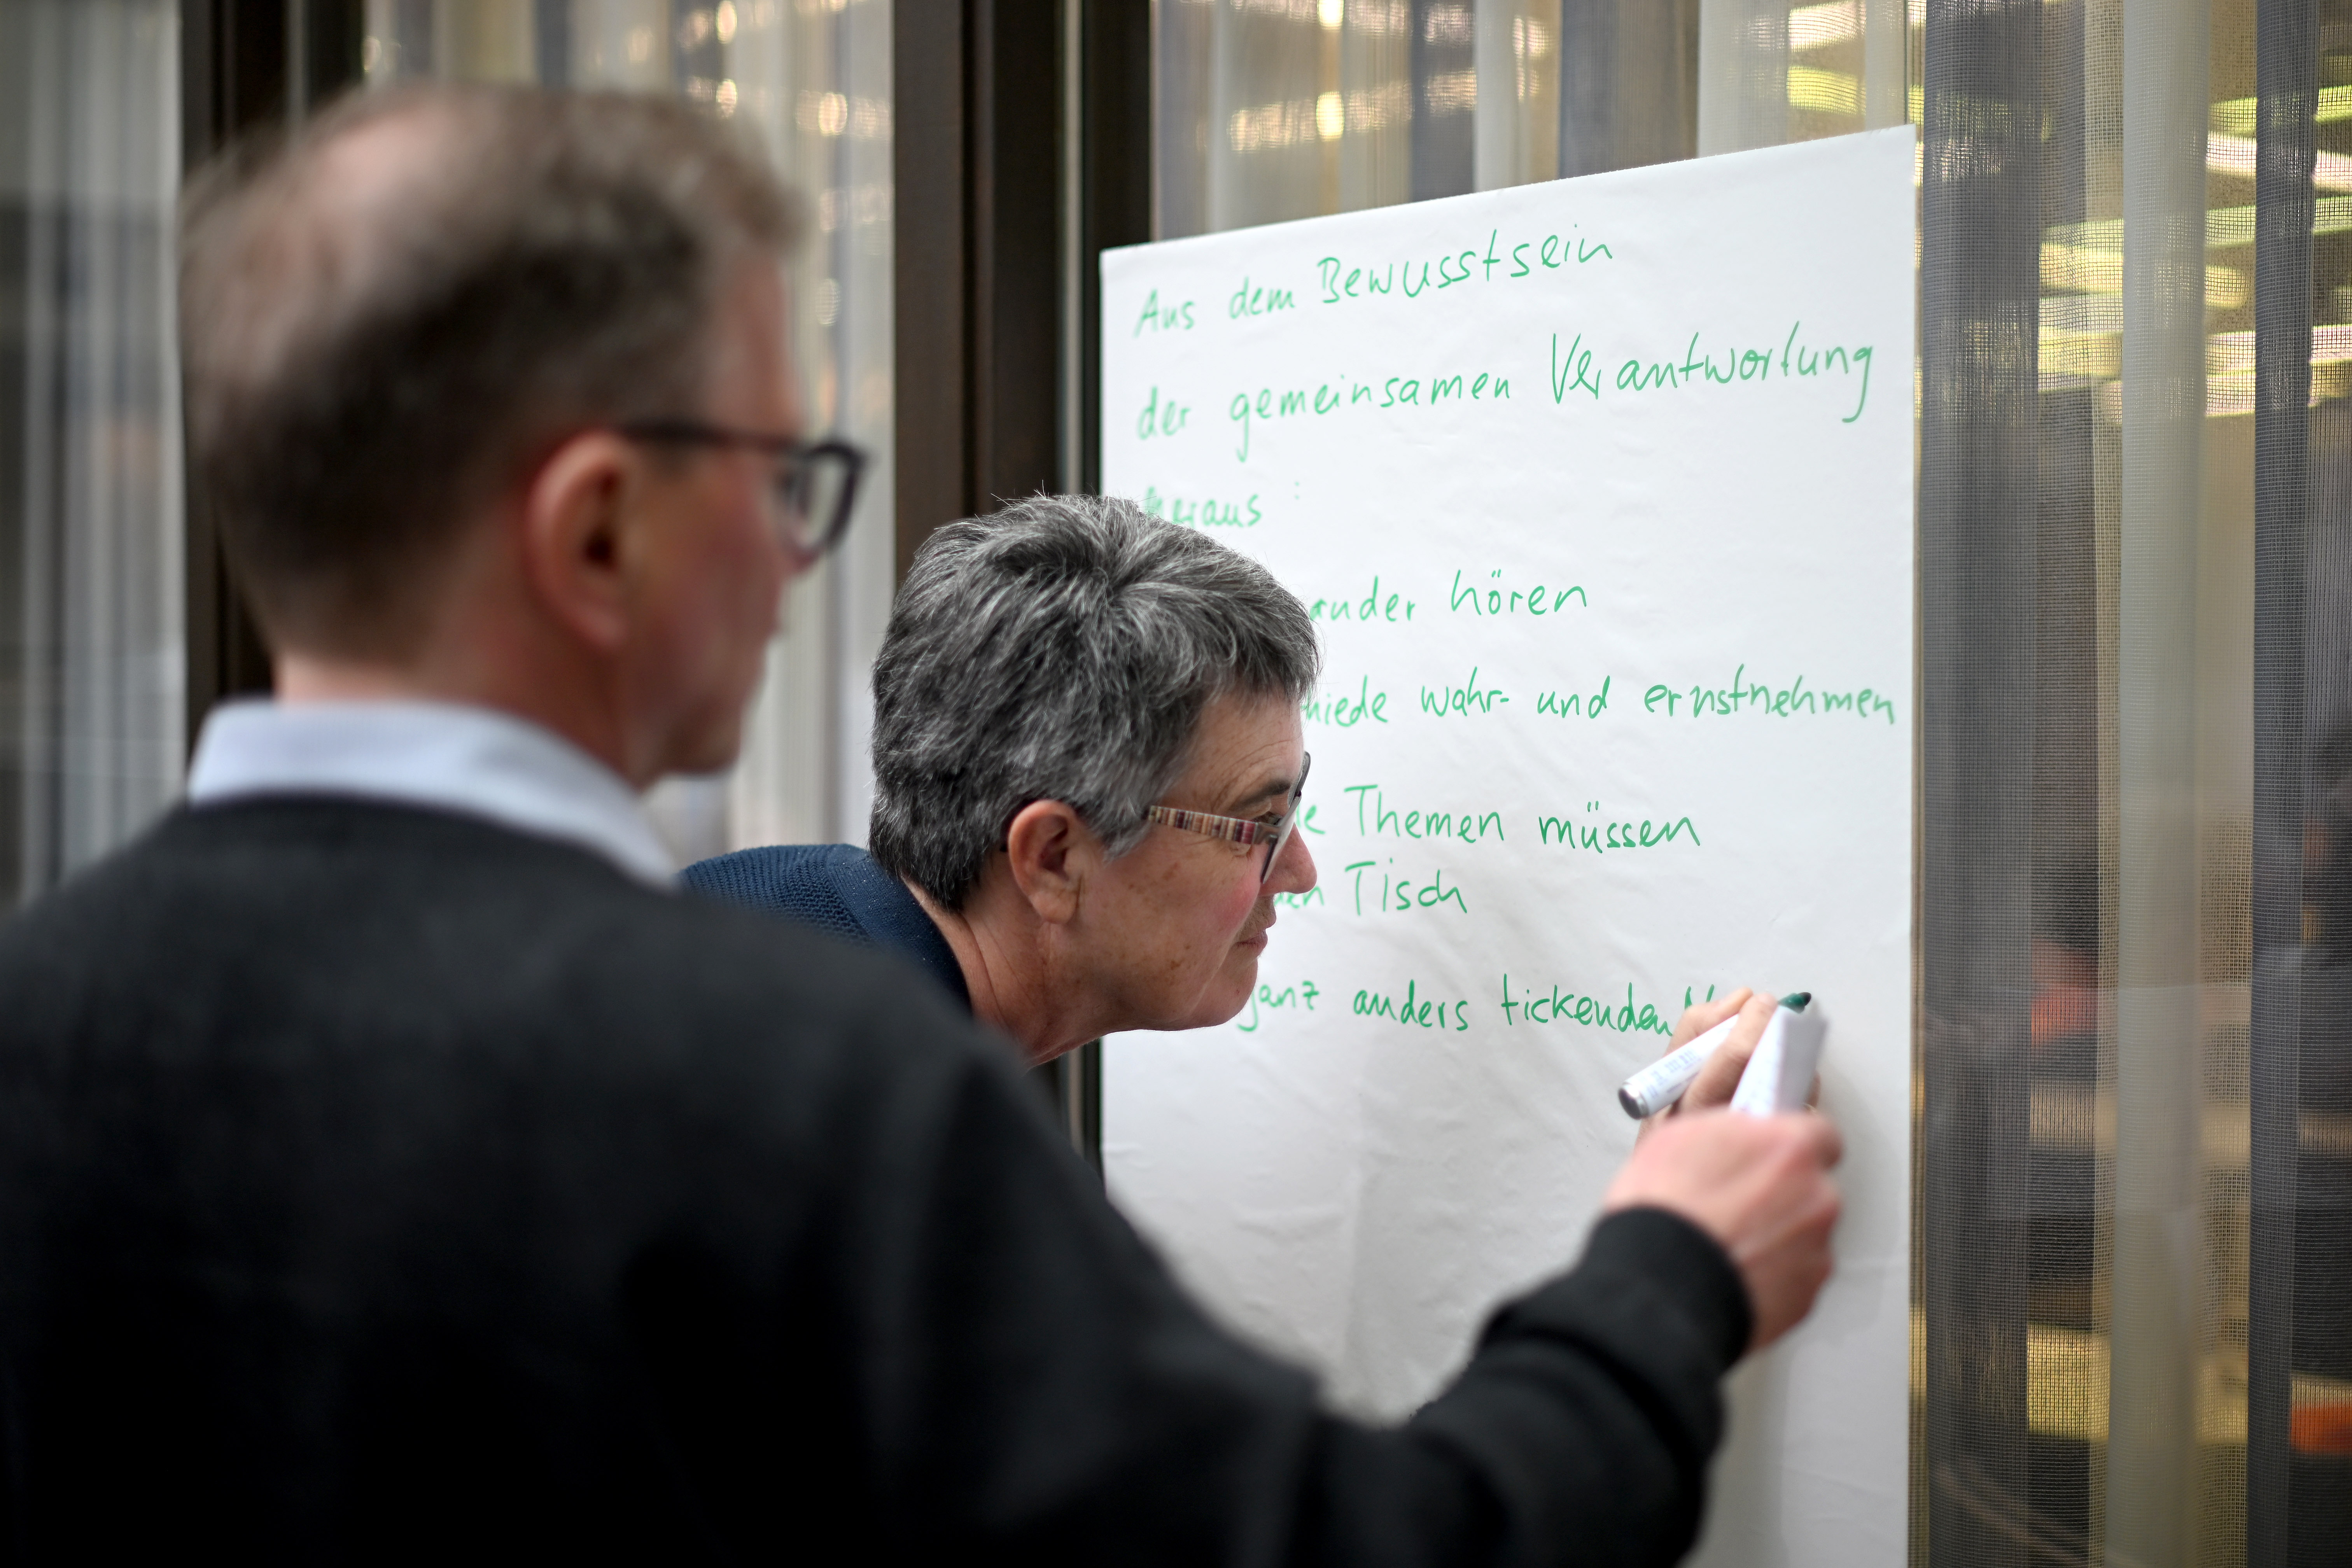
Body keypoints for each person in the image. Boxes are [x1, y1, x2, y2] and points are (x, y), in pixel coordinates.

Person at [0, 83, 1843, 1561]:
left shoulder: (46, 1002)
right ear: (597, 532)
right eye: (779, 475)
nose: (798, 560)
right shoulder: (788, 1083)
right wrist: (1671, 1269)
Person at [685, 493, 1321, 1061]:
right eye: (1258, 824)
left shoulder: (762, 915)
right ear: (1053, 859)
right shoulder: (860, 1114)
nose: (1299, 872)